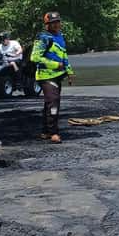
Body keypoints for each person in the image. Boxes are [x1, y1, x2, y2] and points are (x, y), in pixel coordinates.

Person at [30, 11, 73, 143]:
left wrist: (69, 71)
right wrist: (54, 64)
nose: (56, 25)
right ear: (47, 24)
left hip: (58, 75)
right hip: (45, 76)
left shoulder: (60, 36)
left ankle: (45, 131)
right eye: (52, 23)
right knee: (54, 102)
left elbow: (63, 54)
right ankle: (53, 132)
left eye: (57, 22)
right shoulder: (42, 37)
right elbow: (34, 57)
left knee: (50, 103)